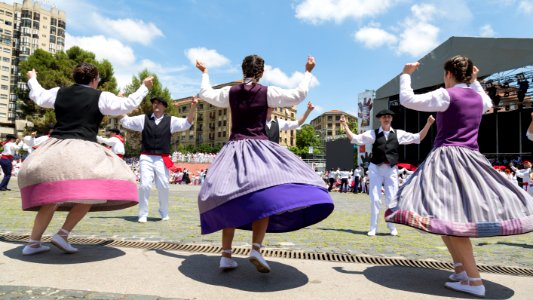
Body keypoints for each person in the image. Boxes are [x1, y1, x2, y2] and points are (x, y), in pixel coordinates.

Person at [385, 55, 533, 297]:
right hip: (471, 158)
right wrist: (475, 81)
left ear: (449, 74)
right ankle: (460, 270)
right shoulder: (479, 97)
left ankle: (475, 281)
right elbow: (486, 103)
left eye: (445, 75)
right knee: (445, 216)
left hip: (446, 159)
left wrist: (405, 74)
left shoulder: (447, 95)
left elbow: (407, 100)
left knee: (453, 220)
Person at [196, 55, 334, 273]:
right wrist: (308, 71)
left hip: (234, 149)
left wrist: (205, 74)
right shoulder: (267, 92)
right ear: (261, 73)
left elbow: (205, 94)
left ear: (243, 70)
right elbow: (298, 95)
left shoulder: (230, 93)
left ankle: (226, 255)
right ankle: (256, 248)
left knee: (228, 197)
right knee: (267, 194)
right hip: (259, 149)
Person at [18, 63, 153, 256]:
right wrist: (144, 88)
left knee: (51, 197)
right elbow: (127, 104)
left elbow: (38, 96)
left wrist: (32, 78)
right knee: (93, 192)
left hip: (55, 148)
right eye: (98, 79)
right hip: (82, 149)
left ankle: (33, 243)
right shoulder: (101, 97)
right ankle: (63, 234)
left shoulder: (59, 92)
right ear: (94, 79)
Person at [340, 110, 434, 236]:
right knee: (375, 199)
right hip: (376, 168)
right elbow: (355, 139)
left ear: (391, 119)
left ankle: (392, 226)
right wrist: (345, 126)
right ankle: (373, 227)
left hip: (391, 169)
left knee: (391, 199)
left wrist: (428, 124)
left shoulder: (398, 134)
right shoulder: (373, 134)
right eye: (384, 117)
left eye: (389, 117)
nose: (386, 119)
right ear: (380, 119)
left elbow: (418, 137)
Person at [120, 96, 198, 223]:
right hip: (146, 156)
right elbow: (126, 121)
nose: (156, 105)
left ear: (164, 107)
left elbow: (187, 123)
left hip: (162, 157)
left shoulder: (170, 121)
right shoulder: (143, 119)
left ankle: (163, 211)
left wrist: (193, 107)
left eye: (159, 103)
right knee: (144, 185)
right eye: (154, 103)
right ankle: (143, 213)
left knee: (163, 186)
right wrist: (121, 104)